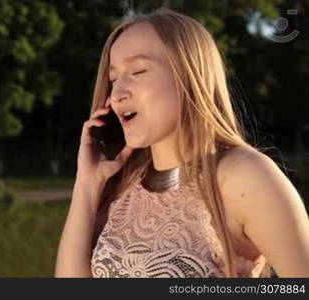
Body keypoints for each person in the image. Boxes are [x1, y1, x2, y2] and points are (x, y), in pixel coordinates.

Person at [55, 7, 309, 278]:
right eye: (113, 79)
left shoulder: (245, 176)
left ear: (189, 75)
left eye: (138, 71)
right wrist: (87, 183)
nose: (116, 93)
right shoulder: (120, 188)